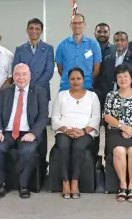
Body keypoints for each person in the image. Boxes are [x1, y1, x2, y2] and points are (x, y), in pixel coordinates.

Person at [0, 64, 49, 199]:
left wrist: (33, 133)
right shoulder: (5, 92)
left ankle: (23, 185)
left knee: (27, 151)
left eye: (24, 74)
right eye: (17, 74)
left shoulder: (39, 92)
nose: (21, 78)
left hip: (28, 132)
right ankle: (1, 185)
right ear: (13, 76)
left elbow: (43, 117)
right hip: (8, 132)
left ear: (30, 76)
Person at [51, 67, 101, 199]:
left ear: (84, 80)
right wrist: (66, 130)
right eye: (72, 79)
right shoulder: (62, 95)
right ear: (68, 80)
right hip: (64, 130)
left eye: (79, 78)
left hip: (85, 131)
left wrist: (84, 130)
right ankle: (65, 181)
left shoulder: (92, 96)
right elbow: (55, 118)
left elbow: (96, 118)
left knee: (78, 146)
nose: (75, 81)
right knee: (63, 146)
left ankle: (75, 181)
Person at [103, 65, 132, 203]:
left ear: (131, 79)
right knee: (119, 151)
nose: (123, 79)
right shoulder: (111, 95)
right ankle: (123, 185)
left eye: (125, 76)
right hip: (116, 130)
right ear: (116, 80)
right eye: (119, 77)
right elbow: (107, 116)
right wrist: (123, 127)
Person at [95, 31, 132, 105]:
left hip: (128, 98)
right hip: (108, 98)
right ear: (114, 42)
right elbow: (103, 79)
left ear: (127, 42)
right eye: (117, 40)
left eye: (122, 40)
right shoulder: (108, 59)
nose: (119, 42)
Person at [56, 13, 102, 91]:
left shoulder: (94, 44)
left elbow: (96, 70)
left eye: (79, 23)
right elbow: (60, 70)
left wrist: (85, 80)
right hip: (66, 88)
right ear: (71, 25)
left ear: (84, 25)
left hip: (86, 87)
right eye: (74, 23)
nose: (77, 26)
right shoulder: (61, 45)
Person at [12, 18, 55, 100]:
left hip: (42, 90)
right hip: (23, 90)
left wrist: (34, 87)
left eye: (37, 29)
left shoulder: (48, 48)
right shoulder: (20, 49)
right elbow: (15, 70)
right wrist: (26, 86)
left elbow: (49, 71)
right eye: (31, 28)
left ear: (41, 31)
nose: (34, 31)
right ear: (27, 30)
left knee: (42, 113)